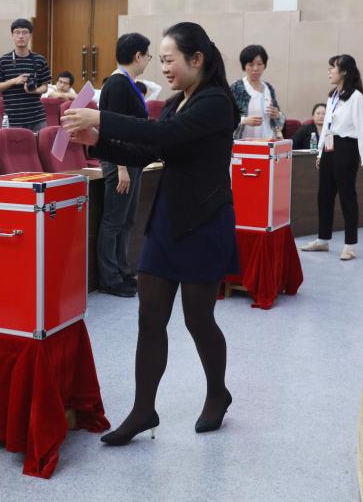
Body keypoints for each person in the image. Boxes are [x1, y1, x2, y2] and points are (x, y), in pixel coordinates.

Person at [62, 22, 240, 445]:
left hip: (204, 223)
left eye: (170, 60)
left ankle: (218, 392)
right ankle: (144, 410)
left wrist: (102, 116)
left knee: (198, 319)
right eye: (159, 61)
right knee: (150, 318)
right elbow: (151, 149)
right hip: (167, 223)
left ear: (197, 59)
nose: (164, 68)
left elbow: (165, 134)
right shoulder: (180, 102)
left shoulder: (217, 102)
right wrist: (98, 139)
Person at [96, 33, 153, 298]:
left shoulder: (128, 83)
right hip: (120, 162)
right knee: (113, 221)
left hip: (131, 160)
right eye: (148, 55)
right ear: (137, 56)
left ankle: (123, 270)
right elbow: (113, 128)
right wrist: (120, 167)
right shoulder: (118, 84)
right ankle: (109, 278)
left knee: (127, 220)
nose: (148, 60)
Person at [301, 55, 363, 261]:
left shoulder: (356, 97)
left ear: (344, 72)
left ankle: (350, 245)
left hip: (346, 148)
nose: (329, 72)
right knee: (324, 195)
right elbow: (327, 126)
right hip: (330, 148)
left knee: (347, 196)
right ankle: (323, 240)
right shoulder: (333, 95)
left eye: (333, 68)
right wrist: (320, 151)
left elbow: (361, 125)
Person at [0, 18, 50, 132]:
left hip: (37, 117)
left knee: (40, 143)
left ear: (30, 35)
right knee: (14, 144)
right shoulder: (3, 61)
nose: (21, 36)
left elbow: (45, 87)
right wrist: (14, 81)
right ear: (12, 35)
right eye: (17, 32)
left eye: (24, 32)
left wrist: (34, 91)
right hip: (13, 118)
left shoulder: (40, 60)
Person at [230, 44, 284, 139]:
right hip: (242, 142)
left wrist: (277, 115)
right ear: (244, 66)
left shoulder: (268, 88)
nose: (255, 68)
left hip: (267, 142)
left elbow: (279, 120)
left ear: (264, 65)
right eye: (251, 64)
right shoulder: (236, 87)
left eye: (259, 64)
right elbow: (225, 116)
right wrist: (243, 120)